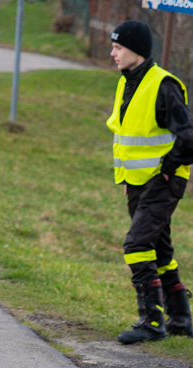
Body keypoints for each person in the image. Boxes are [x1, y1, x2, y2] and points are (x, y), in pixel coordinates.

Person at [106, 20, 193, 344]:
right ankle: (181, 318)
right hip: (137, 182)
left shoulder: (164, 85)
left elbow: (189, 139)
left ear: (136, 51)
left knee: (137, 245)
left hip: (162, 181)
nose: (112, 53)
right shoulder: (126, 82)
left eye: (118, 47)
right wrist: (129, 178)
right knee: (159, 248)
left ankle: (152, 321)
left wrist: (167, 170)